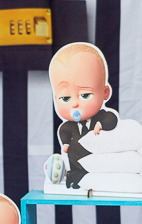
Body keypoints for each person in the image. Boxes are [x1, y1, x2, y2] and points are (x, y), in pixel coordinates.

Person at [48, 43, 118, 189]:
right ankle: (72, 179)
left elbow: (111, 119)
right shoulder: (68, 126)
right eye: (66, 98)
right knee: (74, 177)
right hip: (76, 165)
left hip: (100, 168)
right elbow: (64, 131)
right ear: (56, 99)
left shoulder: (102, 117)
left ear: (105, 92)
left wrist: (101, 125)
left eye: (85, 95)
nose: (75, 104)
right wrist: (66, 143)